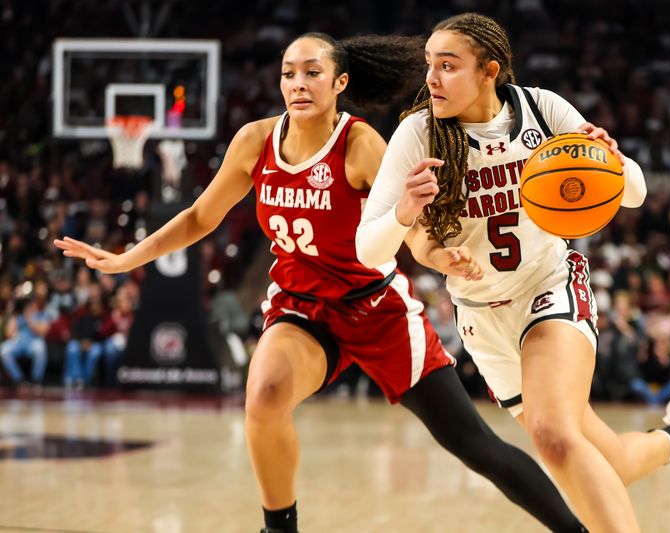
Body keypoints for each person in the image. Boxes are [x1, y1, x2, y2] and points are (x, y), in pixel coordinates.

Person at [56, 33, 587, 533]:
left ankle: (573, 528)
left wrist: (439, 255)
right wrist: (127, 259)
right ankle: (278, 527)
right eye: (289, 74)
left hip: (376, 309)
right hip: (303, 310)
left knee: (472, 444)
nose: (298, 84)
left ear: (340, 83)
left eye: (312, 73)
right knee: (263, 396)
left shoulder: (361, 145)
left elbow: (411, 227)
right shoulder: (255, 141)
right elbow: (199, 217)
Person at [356, 13, 670, 532]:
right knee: (605, 461)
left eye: (448, 65)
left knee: (552, 433)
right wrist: (406, 215)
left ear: (489, 71)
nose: (431, 78)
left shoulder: (539, 109)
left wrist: (610, 157)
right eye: (429, 65)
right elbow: (369, 251)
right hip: (482, 319)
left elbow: (633, 193)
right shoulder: (418, 134)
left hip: (548, 287)